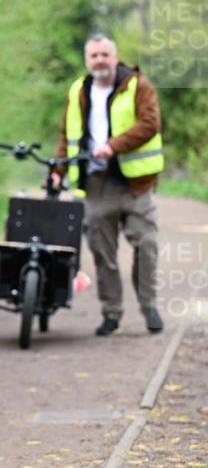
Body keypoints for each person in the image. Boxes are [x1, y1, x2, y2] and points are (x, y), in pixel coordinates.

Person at [52, 34, 165, 336]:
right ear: (87, 60)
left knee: (147, 244)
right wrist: (58, 169)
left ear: (115, 57)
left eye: (105, 54)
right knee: (103, 253)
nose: (100, 60)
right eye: (94, 56)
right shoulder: (79, 90)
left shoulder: (137, 86)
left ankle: (149, 305)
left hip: (136, 184)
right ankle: (111, 313)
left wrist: (113, 146)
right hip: (96, 183)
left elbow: (150, 123)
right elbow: (68, 134)